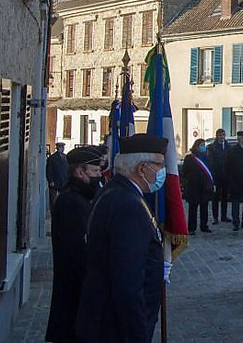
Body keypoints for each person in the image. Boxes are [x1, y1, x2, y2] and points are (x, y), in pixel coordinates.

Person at [76, 135, 168, 343]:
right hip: (115, 328)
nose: (163, 171)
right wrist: (137, 335)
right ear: (142, 168)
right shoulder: (129, 206)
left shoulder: (115, 191)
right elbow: (127, 283)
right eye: (159, 165)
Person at [46, 147, 102, 343]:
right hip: (73, 300)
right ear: (80, 172)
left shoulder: (80, 198)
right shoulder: (72, 202)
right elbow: (77, 255)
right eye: (94, 172)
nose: (98, 177)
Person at [181, 139, 214, 235]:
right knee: (193, 208)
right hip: (193, 186)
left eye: (204, 145)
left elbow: (210, 170)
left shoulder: (207, 157)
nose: (203, 147)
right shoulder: (190, 158)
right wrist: (187, 182)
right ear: (196, 146)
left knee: (204, 207)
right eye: (201, 145)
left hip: (204, 186)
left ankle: (204, 225)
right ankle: (191, 228)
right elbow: (185, 172)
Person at [225, 131, 243, 231]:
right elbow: (228, 166)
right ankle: (236, 222)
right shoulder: (232, 151)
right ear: (240, 138)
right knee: (235, 203)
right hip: (236, 181)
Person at [206, 129, 231, 224]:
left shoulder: (228, 146)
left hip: (226, 175)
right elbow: (211, 162)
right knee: (215, 197)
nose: (222, 137)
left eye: (223, 135)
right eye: (220, 135)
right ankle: (215, 217)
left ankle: (224, 215)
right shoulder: (212, 147)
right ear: (217, 136)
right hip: (216, 176)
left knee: (225, 196)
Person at [46, 141, 68, 209]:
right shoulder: (52, 158)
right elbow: (49, 170)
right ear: (57, 148)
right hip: (55, 181)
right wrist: (50, 180)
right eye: (60, 147)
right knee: (53, 201)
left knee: (63, 200)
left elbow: (67, 169)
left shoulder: (65, 157)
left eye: (63, 147)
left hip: (63, 181)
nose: (62, 149)